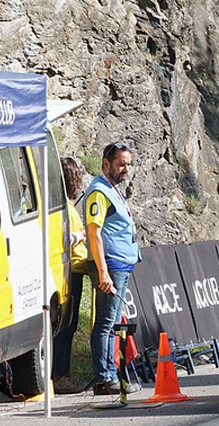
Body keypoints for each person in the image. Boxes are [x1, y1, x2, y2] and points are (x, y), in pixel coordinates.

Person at [85, 142, 141, 395]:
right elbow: (94, 233)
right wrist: (103, 272)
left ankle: (111, 376)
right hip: (112, 265)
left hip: (122, 264)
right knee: (106, 324)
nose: (125, 169)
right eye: (121, 164)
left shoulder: (113, 189)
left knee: (112, 324)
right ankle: (105, 378)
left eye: (128, 164)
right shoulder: (99, 191)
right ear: (106, 164)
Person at [51, 157, 89, 394]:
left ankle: (61, 372)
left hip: (73, 269)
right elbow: (62, 239)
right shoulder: (62, 207)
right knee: (66, 326)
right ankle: (59, 375)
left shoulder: (64, 205)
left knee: (69, 325)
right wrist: (81, 235)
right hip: (69, 271)